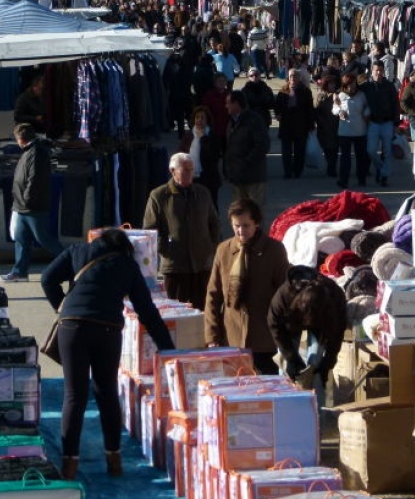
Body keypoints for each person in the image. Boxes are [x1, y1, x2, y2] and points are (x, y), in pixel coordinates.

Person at [41, 227, 176, 480]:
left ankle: (69, 463)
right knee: (106, 392)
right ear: (125, 248)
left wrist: (61, 306)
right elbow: (147, 312)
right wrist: (168, 349)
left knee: (74, 395)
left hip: (72, 326)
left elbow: (47, 278)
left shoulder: (77, 251)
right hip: (107, 330)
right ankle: (114, 459)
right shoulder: (127, 264)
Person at [203, 198, 290, 375]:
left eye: (246, 225)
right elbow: (213, 296)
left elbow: (285, 295)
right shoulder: (224, 250)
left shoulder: (274, 250)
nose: (241, 231)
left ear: (256, 223)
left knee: (264, 394)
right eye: (236, 226)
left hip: (264, 341)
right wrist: (212, 336)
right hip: (232, 338)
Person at [142, 152, 220, 310]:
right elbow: (150, 229)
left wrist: (212, 247)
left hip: (201, 264)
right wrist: (165, 248)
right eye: (185, 170)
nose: (189, 173)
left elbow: (214, 223)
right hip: (175, 266)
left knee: (203, 310)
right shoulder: (159, 196)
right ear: (172, 171)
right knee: (177, 310)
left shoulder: (202, 193)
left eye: (191, 169)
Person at [267, 264, 349, 402]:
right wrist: (291, 358)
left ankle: (316, 408)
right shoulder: (283, 297)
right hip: (291, 321)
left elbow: (337, 333)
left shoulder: (335, 298)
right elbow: (275, 326)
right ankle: (285, 400)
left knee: (316, 361)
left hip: (323, 322)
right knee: (285, 362)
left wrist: (328, 362)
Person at [3, 123, 67, 282]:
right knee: (21, 239)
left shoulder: (37, 152)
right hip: (23, 205)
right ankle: (19, 272)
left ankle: (73, 261)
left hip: (31, 205)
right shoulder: (32, 151)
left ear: (20, 139)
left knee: (43, 239)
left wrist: (27, 200)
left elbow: (35, 180)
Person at [223, 89, 271, 208]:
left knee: (255, 215)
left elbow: (263, 145)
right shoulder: (232, 122)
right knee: (240, 213)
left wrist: (246, 163)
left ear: (237, 104)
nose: (226, 106)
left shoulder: (254, 120)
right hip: (238, 178)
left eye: (228, 103)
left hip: (254, 178)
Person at [362, 60, 401, 187]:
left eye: (380, 70)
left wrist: (396, 123)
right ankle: (381, 168)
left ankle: (384, 176)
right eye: (376, 70)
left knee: (387, 152)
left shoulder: (389, 86)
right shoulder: (366, 86)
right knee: (371, 151)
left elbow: (396, 104)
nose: (378, 73)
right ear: (371, 71)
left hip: (387, 122)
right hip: (373, 123)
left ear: (383, 71)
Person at [180, 105, 224, 216]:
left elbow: (213, 155)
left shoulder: (212, 136)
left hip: (208, 179)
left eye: (202, 118)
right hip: (191, 178)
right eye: (197, 117)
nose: (199, 120)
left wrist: (203, 138)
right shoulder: (188, 135)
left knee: (210, 207)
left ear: (207, 120)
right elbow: (180, 153)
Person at [274, 69, 315, 179]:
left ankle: (297, 171)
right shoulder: (283, 91)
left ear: (299, 77)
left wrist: (311, 125)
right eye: (291, 75)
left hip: (300, 125)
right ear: (288, 77)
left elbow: (310, 109)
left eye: (295, 76)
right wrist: (277, 114)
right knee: (286, 151)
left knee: (299, 151)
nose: (293, 78)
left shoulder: (306, 91)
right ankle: (287, 172)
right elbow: (277, 106)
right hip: (286, 125)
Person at [332, 73, 371, 189]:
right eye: (348, 84)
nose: (351, 87)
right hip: (345, 131)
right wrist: (340, 112)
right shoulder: (340, 95)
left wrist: (366, 113)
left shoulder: (361, 95)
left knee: (361, 157)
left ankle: (361, 179)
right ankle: (343, 180)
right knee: (345, 157)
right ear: (344, 85)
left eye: (353, 83)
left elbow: (367, 107)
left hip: (360, 131)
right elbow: (334, 109)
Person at [311, 68, 342, 178]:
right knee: (327, 148)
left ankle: (332, 168)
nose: (332, 86)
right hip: (323, 126)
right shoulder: (321, 96)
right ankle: (330, 164)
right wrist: (316, 121)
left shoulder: (338, 95)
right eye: (330, 84)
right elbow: (315, 110)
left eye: (333, 84)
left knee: (334, 148)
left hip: (336, 126)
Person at [399, 66, 415, 144]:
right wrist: (412, 112)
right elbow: (402, 102)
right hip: (414, 117)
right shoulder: (409, 87)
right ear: (412, 76)